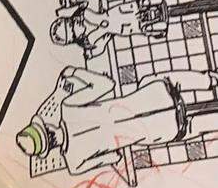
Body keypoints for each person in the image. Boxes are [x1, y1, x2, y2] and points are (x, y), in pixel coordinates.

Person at [16, 64, 218, 176]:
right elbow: (106, 83)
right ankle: (210, 80)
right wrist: (74, 72)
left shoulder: (74, 163)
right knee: (160, 80)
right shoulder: (68, 108)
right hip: (153, 96)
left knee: (195, 126)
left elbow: (114, 158)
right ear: (46, 126)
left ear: (47, 149)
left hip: (157, 130)